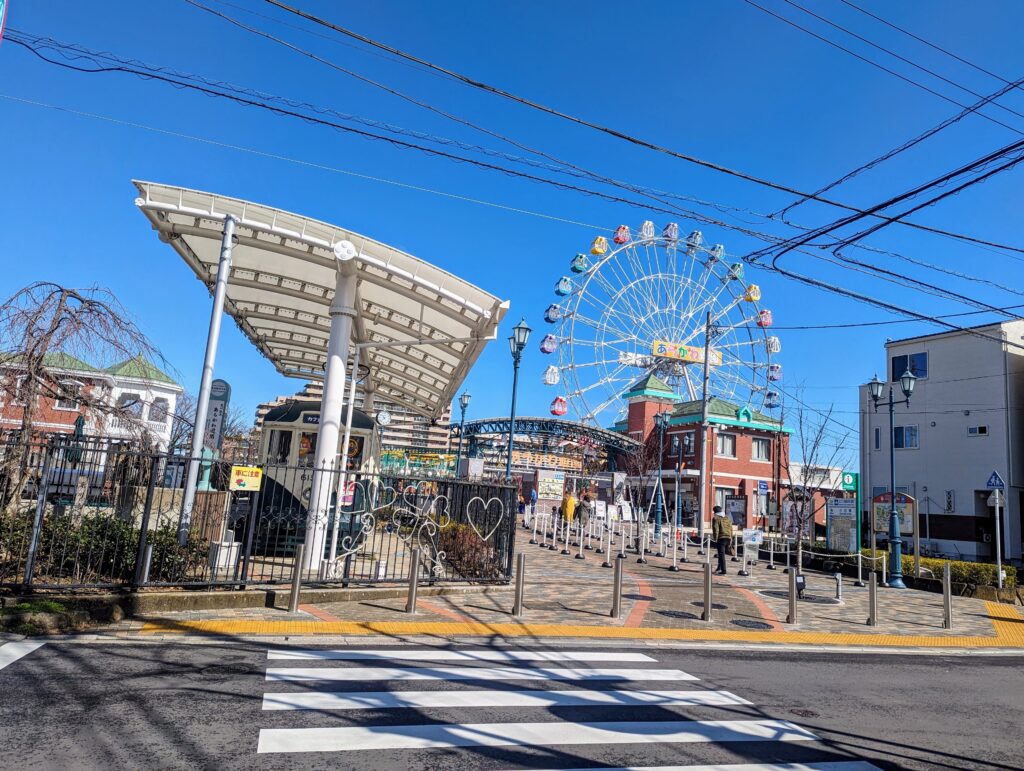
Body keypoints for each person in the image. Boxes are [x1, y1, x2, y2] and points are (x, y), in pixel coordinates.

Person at [712, 505, 733, 575]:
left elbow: (716, 529)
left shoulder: (715, 518)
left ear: (714, 512)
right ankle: (719, 567)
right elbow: (731, 528)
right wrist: (731, 538)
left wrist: (715, 538)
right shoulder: (727, 518)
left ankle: (724, 570)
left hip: (721, 538)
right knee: (721, 554)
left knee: (721, 555)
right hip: (728, 538)